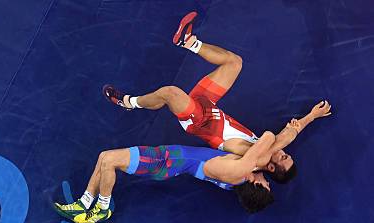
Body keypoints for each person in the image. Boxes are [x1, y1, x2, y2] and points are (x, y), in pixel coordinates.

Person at [102, 11, 332, 184]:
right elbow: (285, 137)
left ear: (271, 168)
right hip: (209, 107)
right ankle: (189, 42)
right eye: (288, 155)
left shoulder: (258, 158)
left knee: (169, 92)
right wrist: (310, 115)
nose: (284, 153)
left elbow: (283, 138)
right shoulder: (265, 152)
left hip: (199, 121)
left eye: (284, 158)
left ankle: (128, 102)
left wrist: (309, 119)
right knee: (234, 63)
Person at [54, 131, 277, 223]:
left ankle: (102, 208)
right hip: (168, 158)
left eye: (267, 183)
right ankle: (83, 203)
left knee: (110, 160)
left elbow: (268, 137)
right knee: (104, 156)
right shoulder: (234, 179)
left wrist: (304, 121)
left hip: (165, 162)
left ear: (256, 184)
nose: (267, 178)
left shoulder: (241, 172)